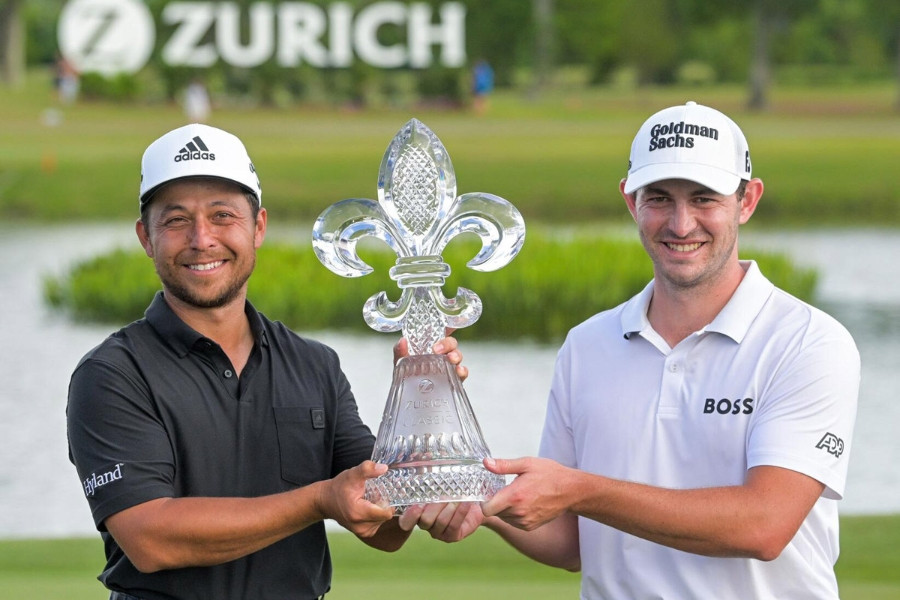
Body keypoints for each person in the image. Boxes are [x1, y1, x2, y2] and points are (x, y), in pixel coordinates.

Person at [403, 101, 861, 599]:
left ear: (747, 201)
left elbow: (764, 525)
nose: (681, 224)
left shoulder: (807, 342)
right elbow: (572, 541)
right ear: (629, 200)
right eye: (659, 198)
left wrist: (580, 489)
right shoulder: (588, 344)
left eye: (704, 198)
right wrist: (471, 489)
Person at [66, 123, 467, 600]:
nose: (202, 238)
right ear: (146, 238)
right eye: (175, 220)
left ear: (257, 228)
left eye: (222, 215)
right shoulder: (112, 374)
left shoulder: (314, 364)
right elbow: (151, 539)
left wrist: (420, 398)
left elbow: (383, 527)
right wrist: (319, 499)